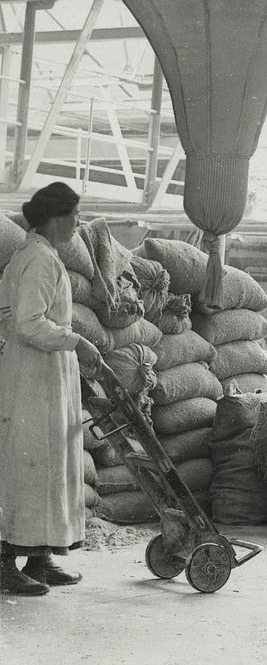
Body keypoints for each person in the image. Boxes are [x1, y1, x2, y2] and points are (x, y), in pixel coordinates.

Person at [0, 182, 103, 597]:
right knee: (26, 466)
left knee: (48, 464)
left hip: (46, 373)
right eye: (76, 216)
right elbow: (27, 321)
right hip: (32, 375)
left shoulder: (43, 256)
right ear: (58, 217)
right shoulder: (39, 259)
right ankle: (5, 563)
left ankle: (39, 556)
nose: (78, 224)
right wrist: (77, 340)